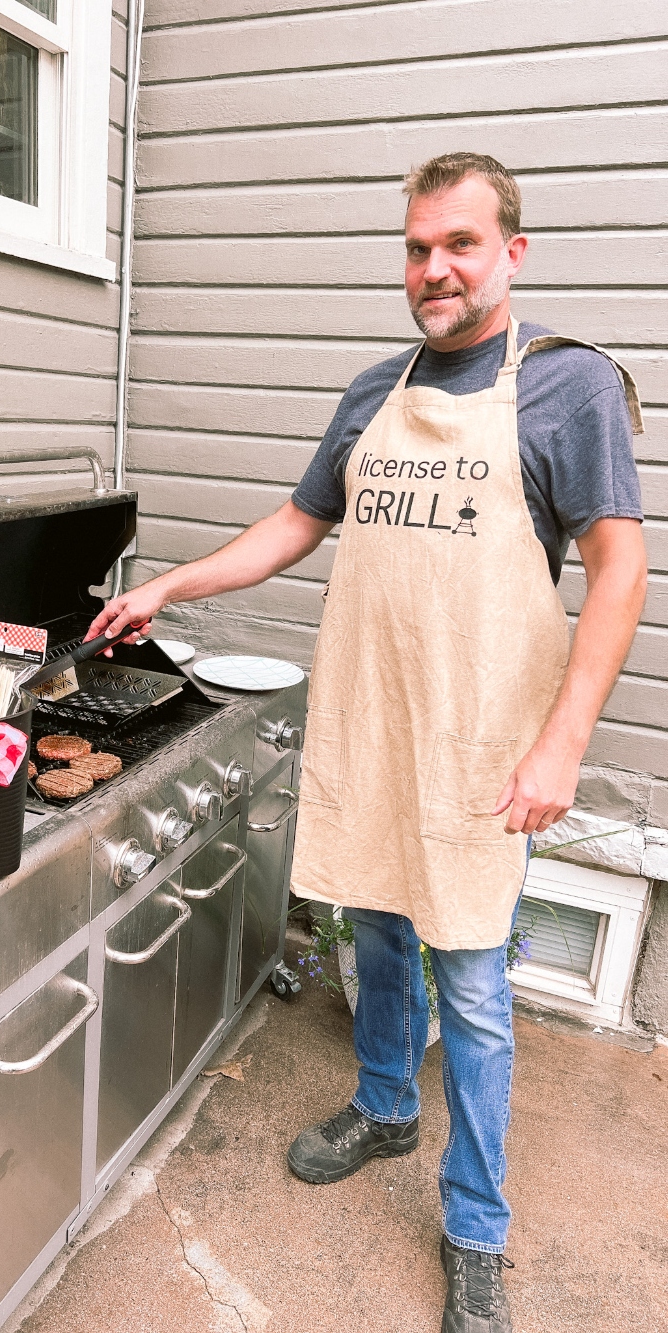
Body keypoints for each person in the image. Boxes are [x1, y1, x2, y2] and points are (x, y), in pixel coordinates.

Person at [86, 153, 647, 1332]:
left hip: (485, 754)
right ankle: (386, 1104)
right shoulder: (370, 392)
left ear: (511, 253)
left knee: (477, 987)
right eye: (414, 247)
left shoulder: (569, 386)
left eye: (458, 244)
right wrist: (169, 587)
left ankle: (474, 1227)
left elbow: (616, 570)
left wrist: (560, 746)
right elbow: (297, 521)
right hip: (376, 726)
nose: (433, 269)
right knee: (379, 931)